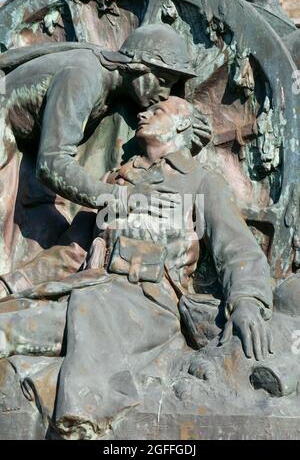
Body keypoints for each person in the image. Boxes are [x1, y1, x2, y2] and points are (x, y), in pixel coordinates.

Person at [0, 96, 273, 439]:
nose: (144, 113)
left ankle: (82, 421)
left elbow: (236, 249)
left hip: (146, 309)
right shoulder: (115, 181)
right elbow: (72, 252)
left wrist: (248, 300)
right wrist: (10, 284)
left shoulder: (201, 182)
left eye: (158, 111)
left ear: (182, 125)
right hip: (87, 295)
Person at [0, 24, 196, 272]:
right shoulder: (84, 76)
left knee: (43, 234)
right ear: (137, 66)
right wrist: (120, 197)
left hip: (20, 146)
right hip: (7, 140)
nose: (164, 93)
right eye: (161, 81)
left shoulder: (102, 76)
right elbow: (52, 163)